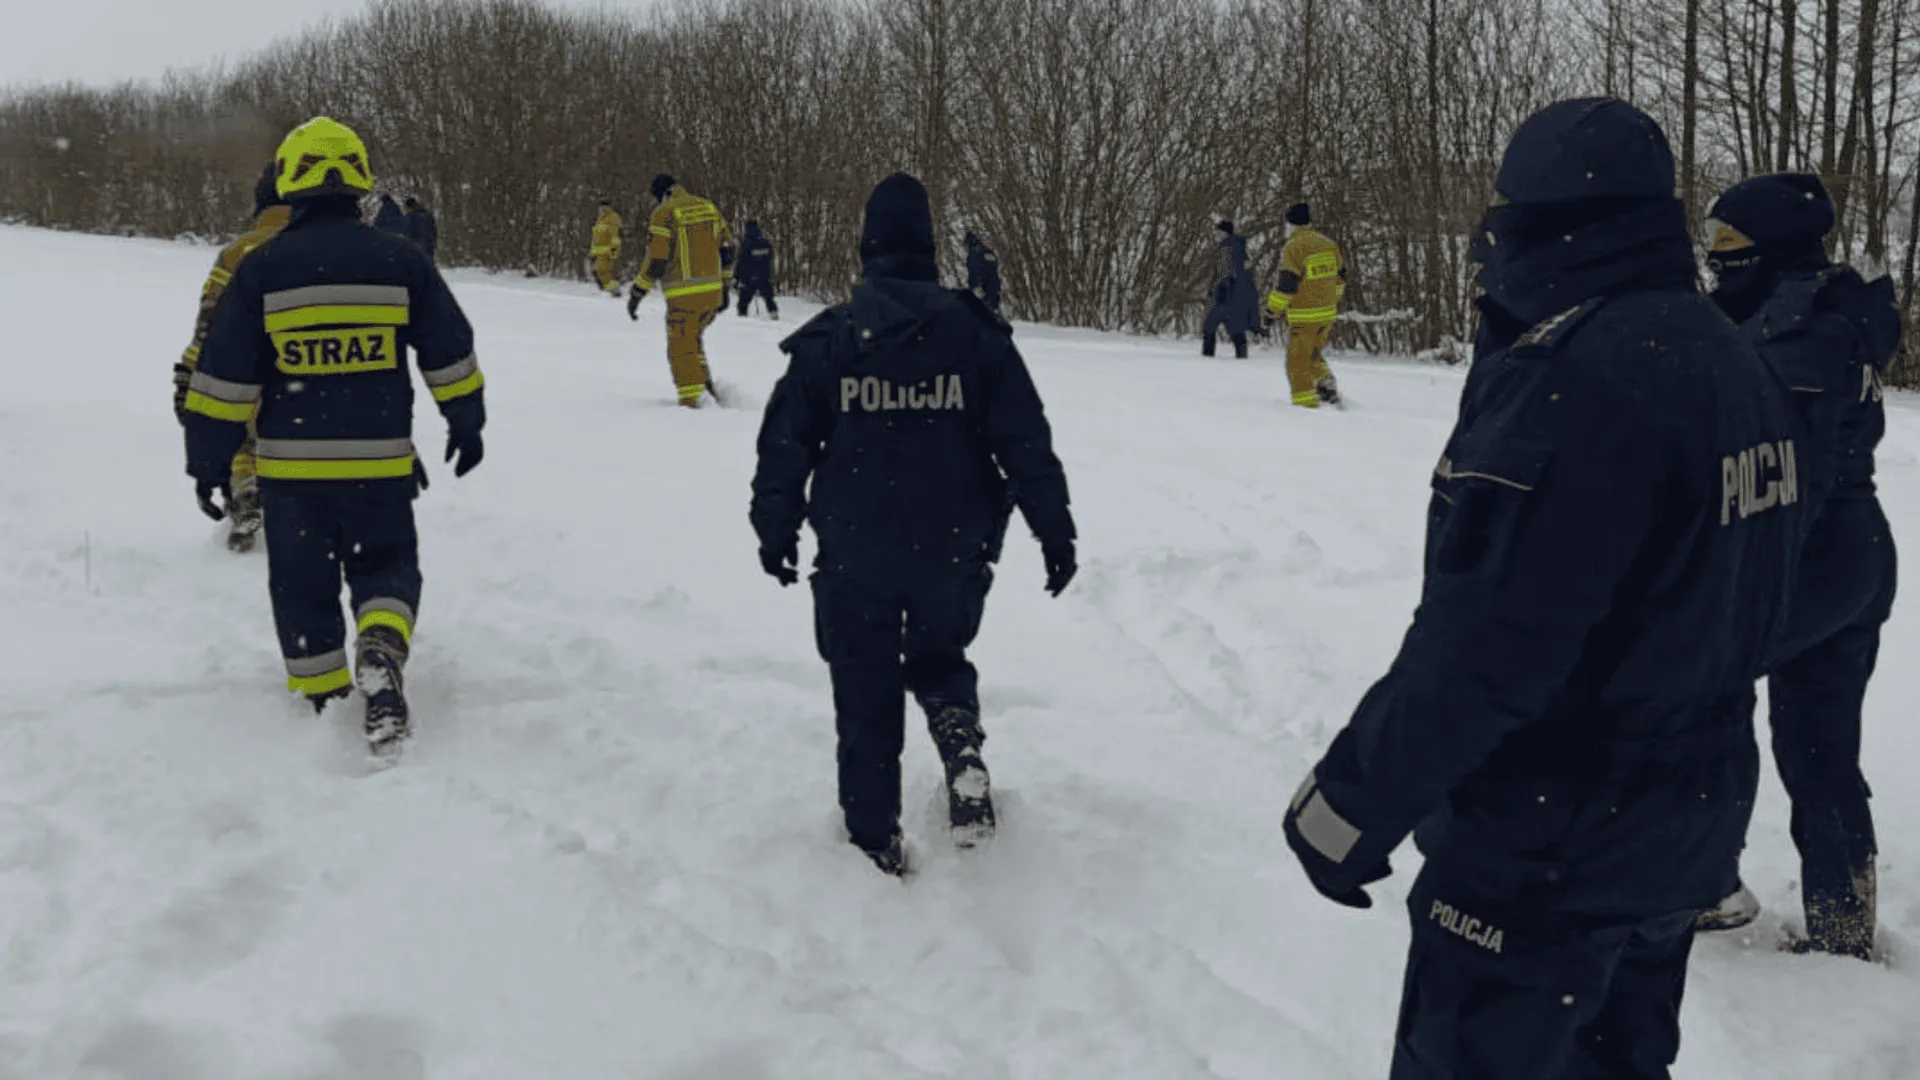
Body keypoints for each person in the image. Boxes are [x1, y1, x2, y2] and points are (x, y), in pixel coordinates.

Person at [1280, 98, 1802, 1080]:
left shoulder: (1582, 380)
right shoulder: (1731, 357)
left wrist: (1347, 805)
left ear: (1542, 218)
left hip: (1545, 849)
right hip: (1678, 828)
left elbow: (1489, 645)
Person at [750, 173, 1077, 877]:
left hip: (855, 551)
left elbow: (784, 446)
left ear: (866, 247)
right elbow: (1025, 441)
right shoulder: (978, 337)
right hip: (953, 549)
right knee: (938, 657)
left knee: (864, 689)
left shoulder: (832, 340)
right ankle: (959, 741)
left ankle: (875, 843)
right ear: (932, 249)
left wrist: (774, 529)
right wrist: (1056, 531)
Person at [181, 116, 487, 757]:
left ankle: (324, 702)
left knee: (302, 587)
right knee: (387, 565)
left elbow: (224, 377)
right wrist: (466, 419)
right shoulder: (402, 261)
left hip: (292, 477)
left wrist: (208, 461)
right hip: (380, 466)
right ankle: (380, 644)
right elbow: (449, 350)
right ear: (361, 184)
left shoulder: (261, 271)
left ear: (289, 183)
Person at [1693, 174, 1900, 961]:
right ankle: (1843, 924)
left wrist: (1739, 580)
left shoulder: (1800, 333)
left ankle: (1704, 881)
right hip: (1855, 551)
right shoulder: (1820, 309)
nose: (1715, 263)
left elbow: (1791, 475)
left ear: (1771, 249)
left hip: (1812, 555)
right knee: (1819, 745)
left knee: (1699, 692)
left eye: (1727, 247)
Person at [175, 161, 288, 553]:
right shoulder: (330, 249)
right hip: (312, 375)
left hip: (246, 368)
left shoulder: (237, 253)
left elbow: (208, 323)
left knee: (242, 434)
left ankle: (245, 493)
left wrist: (187, 375)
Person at [627, 174, 735, 407]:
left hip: (685, 294)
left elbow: (657, 259)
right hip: (712, 292)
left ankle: (694, 400)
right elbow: (727, 249)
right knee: (692, 340)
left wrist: (638, 291)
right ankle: (706, 387)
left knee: (680, 347)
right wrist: (725, 286)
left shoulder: (664, 213)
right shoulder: (708, 207)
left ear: (663, 193)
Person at [1268, 203, 1345, 407]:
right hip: (1327, 314)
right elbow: (1340, 278)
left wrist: (1272, 310)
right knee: (1312, 354)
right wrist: (1331, 301)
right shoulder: (1328, 244)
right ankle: (1325, 383)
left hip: (1304, 315)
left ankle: (1305, 406)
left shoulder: (1294, 247)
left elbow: (1287, 285)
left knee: (1297, 362)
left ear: (1290, 224)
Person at [1201, 220, 1258, 359]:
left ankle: (1207, 357)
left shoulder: (1227, 248)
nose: (1216, 235)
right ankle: (1242, 356)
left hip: (1225, 293)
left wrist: (1219, 288)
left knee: (1210, 326)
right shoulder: (1241, 248)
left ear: (1224, 233)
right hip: (1237, 294)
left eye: (1218, 232)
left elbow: (1225, 271)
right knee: (1235, 327)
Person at [734, 219, 779, 319]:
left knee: (743, 302)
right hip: (764, 277)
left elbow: (741, 262)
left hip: (749, 278)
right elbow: (770, 257)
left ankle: (742, 320)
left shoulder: (746, 243)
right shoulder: (765, 242)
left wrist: (737, 278)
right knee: (769, 299)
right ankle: (774, 316)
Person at [589, 199, 624, 296]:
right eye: (600, 208)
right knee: (597, 271)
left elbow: (615, 235)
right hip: (598, 251)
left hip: (607, 251)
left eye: (604, 207)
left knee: (603, 271)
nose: (602, 209)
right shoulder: (600, 219)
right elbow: (596, 236)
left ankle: (614, 291)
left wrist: (614, 249)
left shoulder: (613, 218)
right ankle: (607, 290)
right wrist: (592, 252)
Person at [965, 230, 1002, 314]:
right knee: (993, 306)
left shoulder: (973, 254)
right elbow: (994, 265)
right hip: (993, 284)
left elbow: (975, 271)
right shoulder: (987, 251)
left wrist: (976, 285)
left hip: (982, 287)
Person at [403, 196, 438, 263]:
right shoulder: (427, 213)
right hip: (429, 243)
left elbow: (407, 230)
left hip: (416, 244)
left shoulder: (410, 215)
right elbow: (434, 229)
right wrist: (434, 241)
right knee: (429, 263)